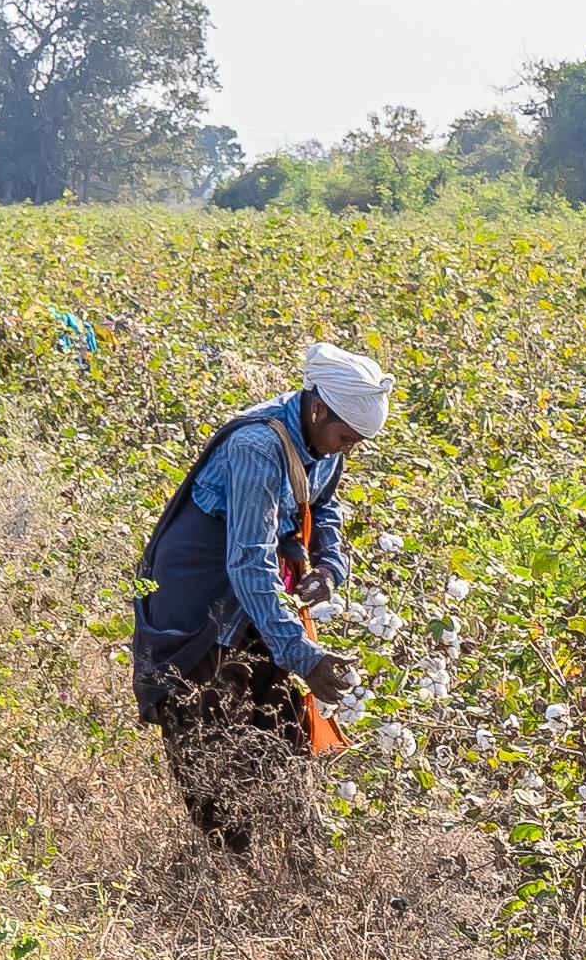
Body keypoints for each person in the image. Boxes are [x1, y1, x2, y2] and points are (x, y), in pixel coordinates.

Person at [137, 340, 394, 858]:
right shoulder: (256, 447)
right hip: (200, 602)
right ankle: (229, 874)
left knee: (283, 728)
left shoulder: (323, 441)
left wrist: (329, 565)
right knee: (208, 735)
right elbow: (248, 561)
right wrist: (303, 656)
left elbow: (324, 504)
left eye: (357, 443)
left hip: (251, 596)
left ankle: (299, 862)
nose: (347, 450)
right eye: (345, 437)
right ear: (317, 407)